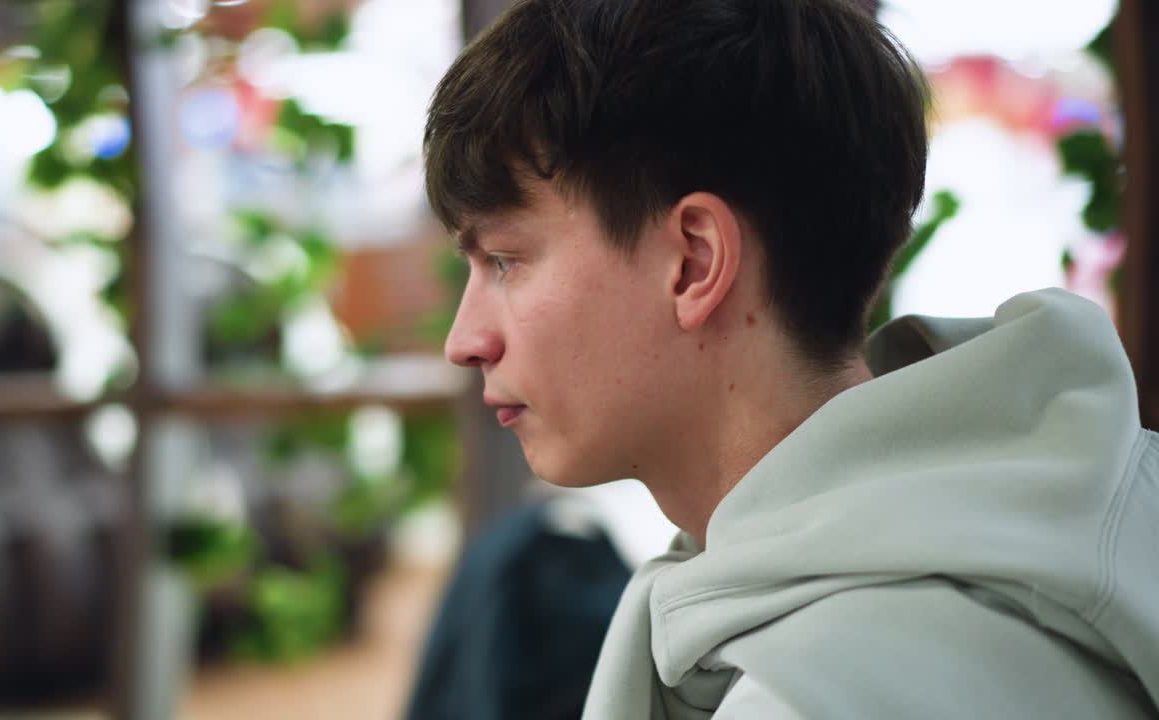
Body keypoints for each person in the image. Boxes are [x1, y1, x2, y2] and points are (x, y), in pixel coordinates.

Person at [424, 0, 1159, 717]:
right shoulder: (1102, 495)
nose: (466, 341)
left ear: (692, 262)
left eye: (503, 260)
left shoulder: (819, 691)